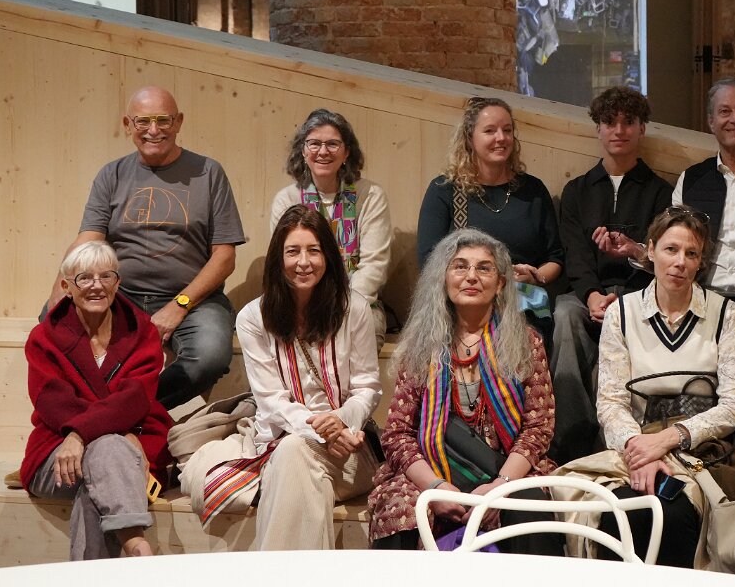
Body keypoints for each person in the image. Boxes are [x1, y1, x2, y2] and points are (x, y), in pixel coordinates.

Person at [560, 206, 735, 568]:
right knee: (618, 511)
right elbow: (611, 402)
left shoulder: (726, 314)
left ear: (700, 262)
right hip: (635, 444)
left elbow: (734, 405)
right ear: (650, 250)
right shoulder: (621, 312)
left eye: (691, 254)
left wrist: (666, 441)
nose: (679, 262)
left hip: (701, 450)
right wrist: (640, 450)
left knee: (673, 512)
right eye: (670, 249)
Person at [47, 86, 247, 409]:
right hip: (120, 295)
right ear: (128, 125)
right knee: (53, 320)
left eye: (163, 120)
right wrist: (61, 285)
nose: (153, 130)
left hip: (194, 300)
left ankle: (119, 410)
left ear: (178, 122)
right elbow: (88, 239)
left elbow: (225, 257)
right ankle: (108, 412)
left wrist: (179, 305)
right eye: (143, 121)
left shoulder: (209, 173)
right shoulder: (111, 174)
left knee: (209, 356)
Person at [367, 229, 562, 555]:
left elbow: (538, 428)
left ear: (500, 283)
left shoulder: (526, 342)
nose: (471, 276)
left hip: (508, 469)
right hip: (432, 470)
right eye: (460, 266)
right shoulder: (420, 347)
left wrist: (499, 487)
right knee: (400, 509)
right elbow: (398, 433)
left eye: (484, 268)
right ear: (443, 279)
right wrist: (435, 487)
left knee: (528, 506)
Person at [224, 205, 380, 550]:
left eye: (314, 250)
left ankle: (279, 578)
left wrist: (340, 421)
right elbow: (271, 401)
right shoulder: (252, 318)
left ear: (328, 256)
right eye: (293, 251)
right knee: (295, 453)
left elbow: (367, 387)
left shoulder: (353, 308)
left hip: (349, 449)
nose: (304, 262)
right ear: (278, 259)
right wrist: (321, 430)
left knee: (295, 460)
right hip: (281, 444)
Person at [22, 241, 172, 560]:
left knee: (97, 481)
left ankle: (90, 584)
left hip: (103, 450)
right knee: (108, 452)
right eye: (84, 278)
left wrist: (82, 434)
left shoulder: (141, 332)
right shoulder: (43, 338)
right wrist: (103, 433)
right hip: (58, 451)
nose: (96, 286)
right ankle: (136, 543)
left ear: (118, 283)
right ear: (67, 287)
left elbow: (134, 399)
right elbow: (54, 404)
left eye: (106, 276)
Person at [550, 86, 672, 464]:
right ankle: (572, 438)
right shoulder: (577, 191)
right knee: (564, 315)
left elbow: (665, 256)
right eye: (610, 122)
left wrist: (636, 251)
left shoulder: (660, 192)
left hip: (640, 294)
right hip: (587, 294)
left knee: (636, 323)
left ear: (642, 129)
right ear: (598, 129)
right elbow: (575, 254)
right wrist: (591, 295)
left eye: (628, 122)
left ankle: (622, 441)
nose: (619, 130)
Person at [615, 78, 735, 314]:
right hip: (703, 294)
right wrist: (638, 251)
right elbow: (674, 246)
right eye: (725, 111)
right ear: (711, 122)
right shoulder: (692, 179)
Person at [416, 97, 564, 322]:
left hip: (521, 301)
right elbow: (429, 262)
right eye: (490, 131)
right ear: (470, 138)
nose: (501, 138)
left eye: (507, 130)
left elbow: (555, 258)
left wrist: (535, 277)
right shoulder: (445, 190)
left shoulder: (533, 190)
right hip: (464, 303)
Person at [271, 108, 392, 346]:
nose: (323, 151)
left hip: (358, 303)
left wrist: (344, 307)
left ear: (347, 152)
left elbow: (374, 264)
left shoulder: (370, 195)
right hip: (301, 303)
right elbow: (284, 261)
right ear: (303, 151)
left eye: (333, 144)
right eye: (314, 143)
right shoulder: (287, 199)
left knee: (360, 336)